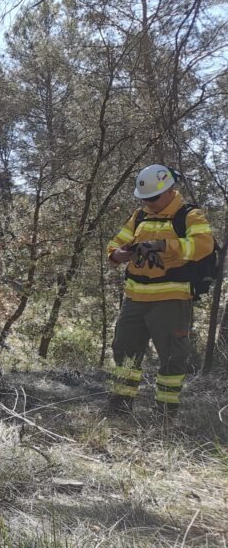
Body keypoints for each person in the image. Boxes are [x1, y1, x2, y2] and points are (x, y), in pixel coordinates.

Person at [106, 164, 213, 416]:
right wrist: (117, 254)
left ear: (168, 191)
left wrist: (164, 246)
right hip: (134, 299)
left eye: (152, 198)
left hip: (171, 299)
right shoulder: (139, 217)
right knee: (124, 353)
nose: (149, 203)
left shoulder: (189, 215)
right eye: (144, 198)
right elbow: (115, 244)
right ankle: (120, 408)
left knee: (172, 358)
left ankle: (165, 413)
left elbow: (204, 245)